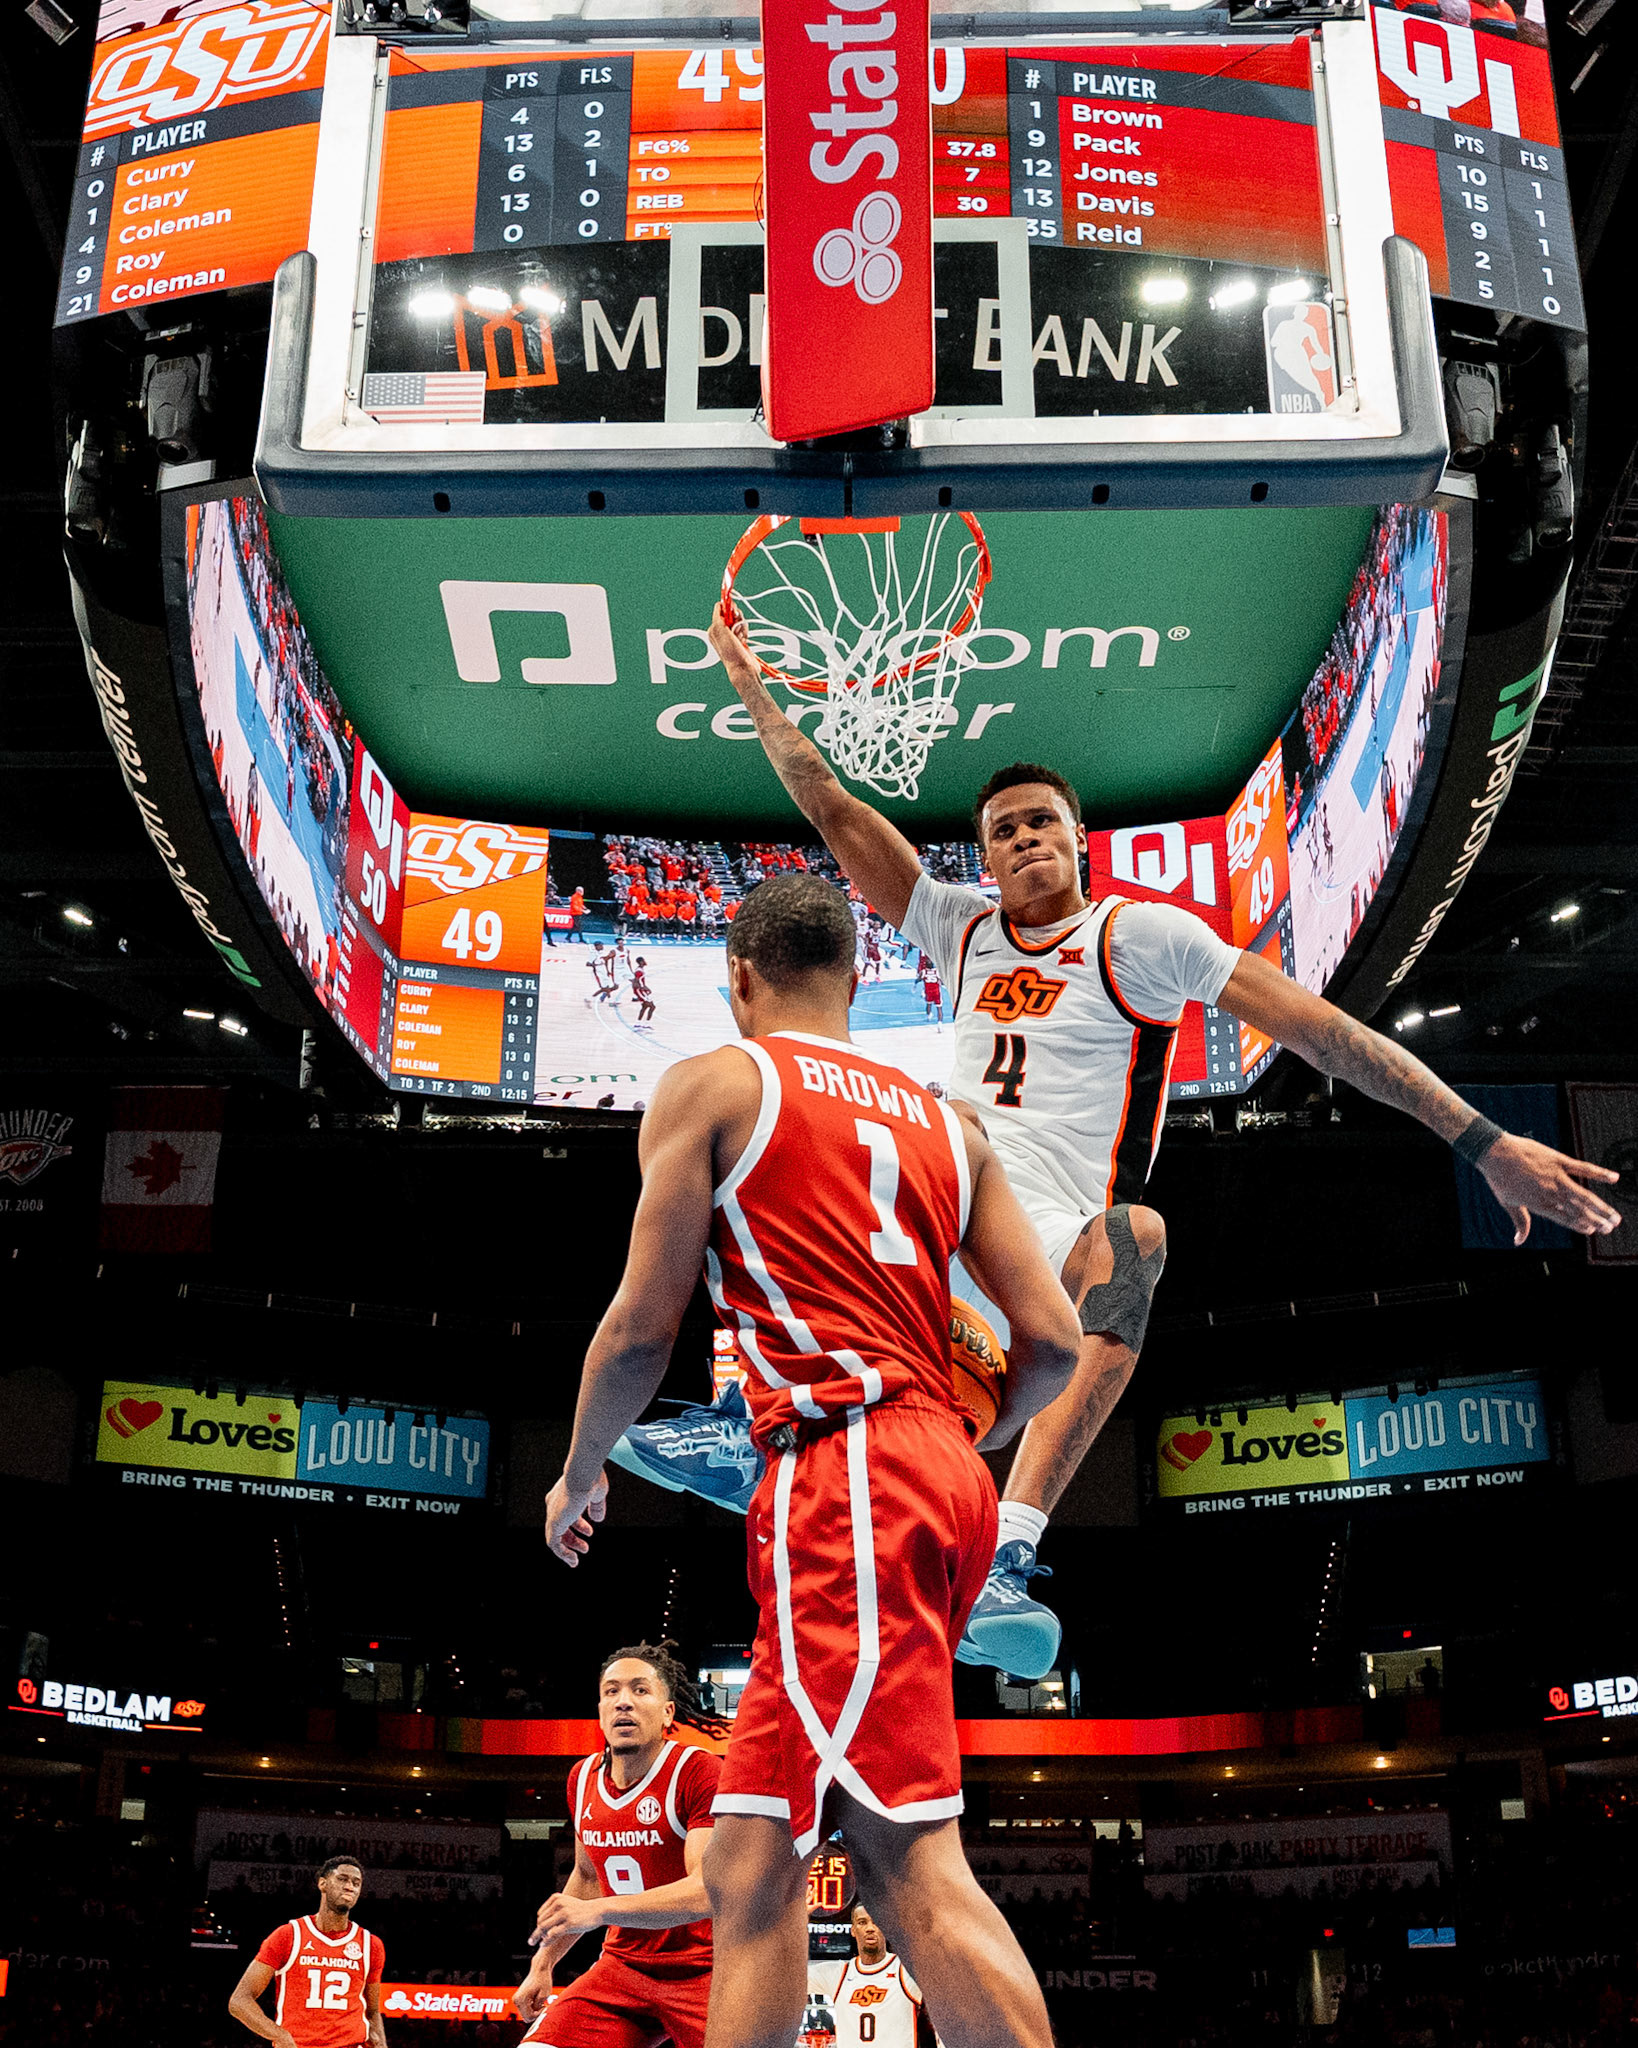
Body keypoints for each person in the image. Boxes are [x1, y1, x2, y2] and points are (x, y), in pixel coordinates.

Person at [612, 610, 1621, 1683]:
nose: (1022, 839)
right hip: (918, 1214)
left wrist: (1482, 1138)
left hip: (1031, 1241)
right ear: (986, 857)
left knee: (1137, 1232)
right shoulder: (960, 928)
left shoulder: (1137, 936)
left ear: (1076, 838)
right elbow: (827, 800)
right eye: (1001, 830)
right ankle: (745, 1422)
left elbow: (1320, 1028)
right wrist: (749, 682)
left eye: (1041, 821)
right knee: (796, 1108)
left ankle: (1008, 1547)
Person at [544, 874, 1081, 2048]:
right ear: (857, 978)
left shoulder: (720, 1082)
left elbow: (640, 1331)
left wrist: (579, 1471)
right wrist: (951, 1432)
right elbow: (1051, 1346)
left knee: (904, 1858)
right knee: (748, 1859)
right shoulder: (952, 1122)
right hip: (938, 1467)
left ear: (738, 977)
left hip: (845, 1476)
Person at [513, 1645, 721, 2048]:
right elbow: (588, 1877)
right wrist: (543, 1963)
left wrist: (597, 1911)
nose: (623, 1701)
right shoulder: (583, 1777)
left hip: (706, 1971)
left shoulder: (698, 1771)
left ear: (668, 1713)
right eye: (611, 1691)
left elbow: (706, 1890)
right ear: (600, 1709)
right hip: (622, 1968)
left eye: (640, 1690)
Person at [228, 1856, 386, 2048]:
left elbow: (373, 2012)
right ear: (323, 1883)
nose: (349, 1886)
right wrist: (280, 2036)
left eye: (356, 1883)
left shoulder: (371, 1944)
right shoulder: (288, 1935)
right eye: (342, 1879)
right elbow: (239, 2001)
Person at [813, 1903, 924, 2048]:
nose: (870, 1928)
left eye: (876, 1922)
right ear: (853, 1930)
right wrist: (794, 1920)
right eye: (862, 1922)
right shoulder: (838, 1974)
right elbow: (786, 1981)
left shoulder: (907, 1971)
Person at [632, 957, 656, 1028]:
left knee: (645, 1007)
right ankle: (646, 1024)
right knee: (652, 1006)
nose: (645, 961)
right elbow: (636, 981)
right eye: (644, 960)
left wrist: (645, 987)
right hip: (640, 990)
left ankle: (638, 1023)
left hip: (642, 990)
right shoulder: (639, 971)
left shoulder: (640, 970)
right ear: (641, 962)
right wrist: (642, 988)